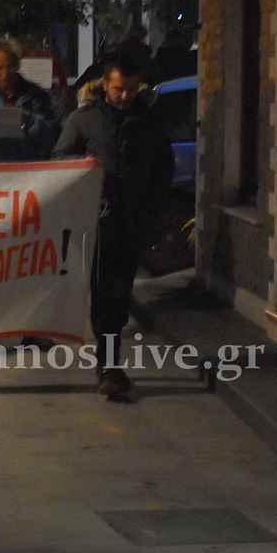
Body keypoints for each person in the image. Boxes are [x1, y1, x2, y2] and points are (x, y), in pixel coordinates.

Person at [52, 53, 175, 399]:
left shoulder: (149, 123)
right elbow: (60, 157)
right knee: (104, 291)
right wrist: (87, 167)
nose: (125, 96)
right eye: (119, 89)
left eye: (131, 90)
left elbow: (163, 169)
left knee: (120, 292)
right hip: (97, 219)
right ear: (105, 85)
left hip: (133, 219)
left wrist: (154, 211)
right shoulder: (84, 119)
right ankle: (108, 364)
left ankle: (109, 360)